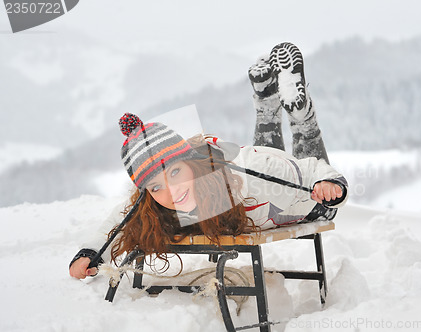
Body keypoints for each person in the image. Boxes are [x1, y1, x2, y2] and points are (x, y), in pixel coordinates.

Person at [69, 42, 348, 280]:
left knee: (299, 157)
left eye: (175, 172)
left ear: (192, 163)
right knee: (269, 164)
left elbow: (311, 169)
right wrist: (91, 252)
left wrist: (331, 186)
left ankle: (300, 117)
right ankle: (266, 108)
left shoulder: (253, 174)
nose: (172, 191)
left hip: (305, 201)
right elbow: (123, 218)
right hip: (262, 190)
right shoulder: (160, 204)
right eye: (155, 187)